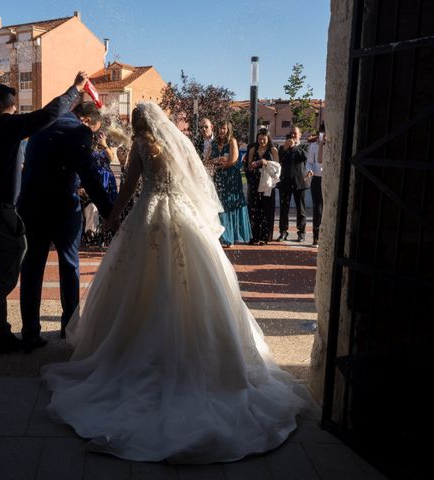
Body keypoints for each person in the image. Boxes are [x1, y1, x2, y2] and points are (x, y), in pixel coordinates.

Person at [42, 102, 307, 463]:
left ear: (139, 125)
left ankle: (130, 350)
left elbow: (129, 187)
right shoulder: (179, 143)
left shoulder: (139, 147)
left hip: (149, 216)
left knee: (140, 289)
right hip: (183, 217)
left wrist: (112, 219)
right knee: (194, 287)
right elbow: (195, 182)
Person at [0, 72, 89, 366]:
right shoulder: (5, 126)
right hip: (0, 212)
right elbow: (47, 114)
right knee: (6, 278)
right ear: (0, 106)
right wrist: (74, 89)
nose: (16, 110)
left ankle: (3, 334)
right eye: (13, 105)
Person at [18, 102, 115, 345]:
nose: (92, 136)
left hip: (32, 205)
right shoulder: (77, 131)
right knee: (69, 265)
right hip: (61, 206)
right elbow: (91, 176)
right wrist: (110, 215)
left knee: (32, 268)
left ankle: (30, 331)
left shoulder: (43, 125)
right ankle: (69, 328)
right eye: (93, 130)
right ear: (86, 120)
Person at [212, 121, 251, 247]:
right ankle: (222, 235)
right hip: (219, 177)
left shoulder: (232, 141)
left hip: (231, 178)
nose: (221, 130)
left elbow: (233, 160)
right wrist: (217, 161)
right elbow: (208, 160)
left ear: (228, 129)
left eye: (224, 128)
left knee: (229, 205)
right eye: (220, 128)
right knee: (220, 205)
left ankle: (230, 237)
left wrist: (220, 165)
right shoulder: (214, 143)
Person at [246, 128, 279, 244]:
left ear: (268, 138)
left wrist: (266, 163)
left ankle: (264, 237)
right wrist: (255, 164)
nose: (261, 142)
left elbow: (277, 168)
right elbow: (249, 166)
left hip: (267, 183)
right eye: (259, 139)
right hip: (255, 181)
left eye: (264, 139)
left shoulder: (273, 150)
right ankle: (253, 236)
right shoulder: (253, 149)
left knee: (266, 208)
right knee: (254, 208)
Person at [277, 126, 308, 242]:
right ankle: (283, 232)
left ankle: (301, 232)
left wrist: (294, 146)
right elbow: (279, 159)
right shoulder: (282, 148)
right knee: (284, 209)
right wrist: (285, 148)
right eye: (291, 134)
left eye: (295, 133)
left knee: (301, 209)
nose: (293, 136)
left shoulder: (304, 147)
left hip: (300, 183)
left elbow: (304, 157)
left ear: (300, 135)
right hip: (285, 182)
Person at [306, 125, 325, 247]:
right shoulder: (313, 146)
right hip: (317, 179)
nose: (322, 137)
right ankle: (316, 237)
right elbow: (310, 162)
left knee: (326, 208)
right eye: (320, 134)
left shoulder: (332, 145)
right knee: (317, 208)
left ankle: (325, 235)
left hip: (328, 179)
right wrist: (309, 170)